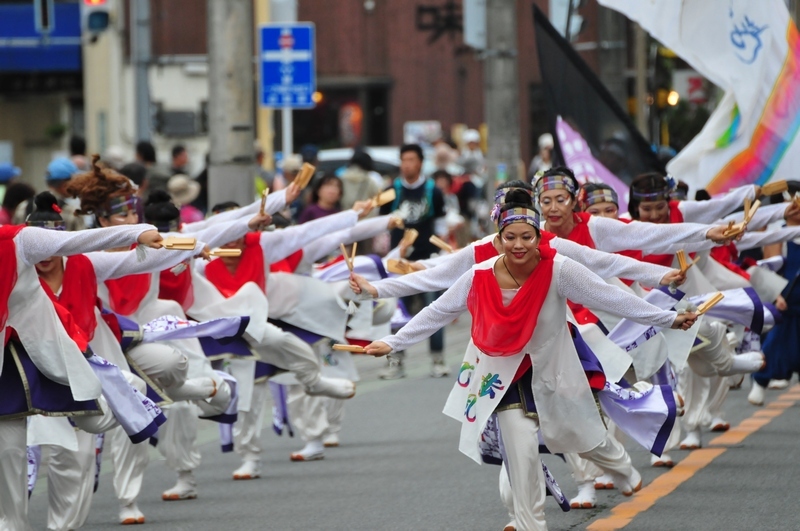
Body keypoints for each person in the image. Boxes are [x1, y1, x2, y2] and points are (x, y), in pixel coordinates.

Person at [362, 202, 697, 531]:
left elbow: (611, 295)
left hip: (553, 364)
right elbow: (439, 309)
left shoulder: (560, 268)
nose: (518, 244)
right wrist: (393, 341)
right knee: (520, 457)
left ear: (539, 236)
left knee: (582, 434)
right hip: (504, 373)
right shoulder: (479, 274)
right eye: (510, 237)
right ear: (499, 238)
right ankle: (529, 524)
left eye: (526, 236)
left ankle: (622, 469)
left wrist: (667, 317)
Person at [379, 144, 448, 379]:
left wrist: (442, 255)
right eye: (404, 160)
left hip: (428, 258)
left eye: (411, 159)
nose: (407, 164)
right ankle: (396, 361)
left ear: (420, 163)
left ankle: (438, 360)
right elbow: (382, 225)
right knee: (400, 310)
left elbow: (440, 224)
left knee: (434, 309)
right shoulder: (391, 191)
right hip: (400, 261)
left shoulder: (433, 191)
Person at [46, 157, 86, 232]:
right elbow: (84, 242)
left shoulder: (25, 206)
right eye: (74, 181)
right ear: (64, 184)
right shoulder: (73, 213)